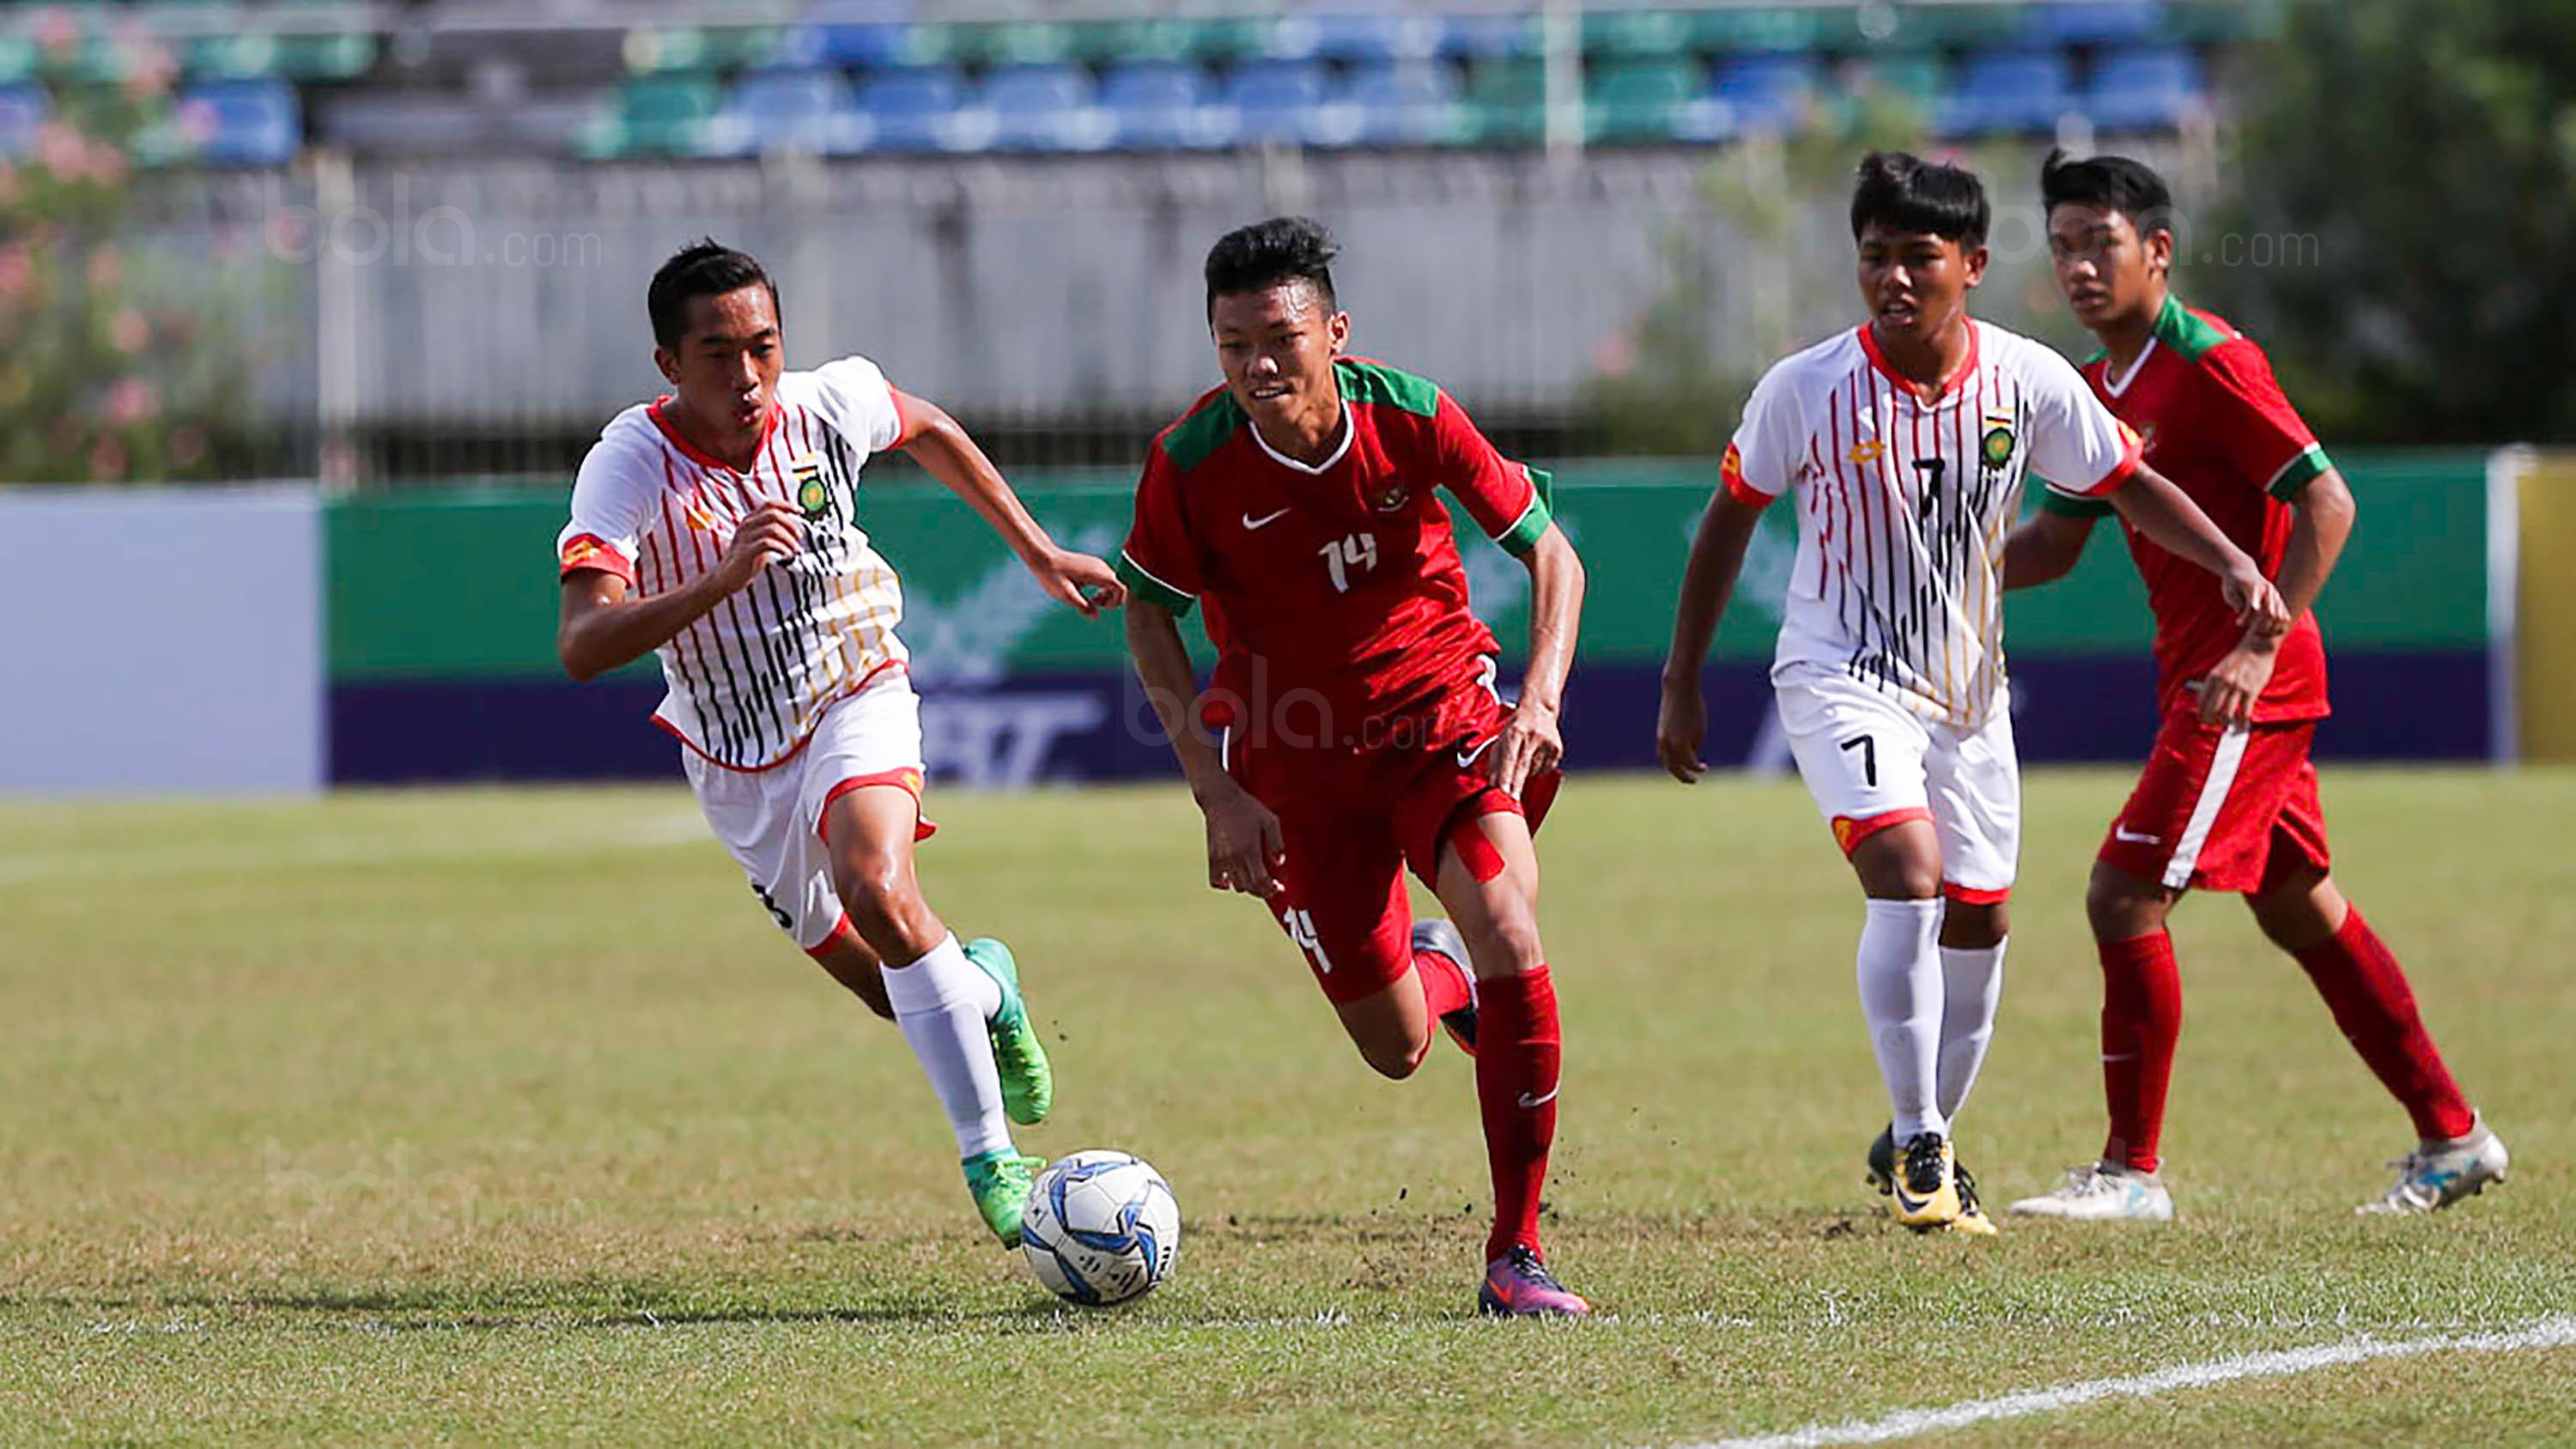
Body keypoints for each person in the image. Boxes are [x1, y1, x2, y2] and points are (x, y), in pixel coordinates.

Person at [1656, 154, 2290, 1236]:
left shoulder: (2030, 380)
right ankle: (1921, 1144)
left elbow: (2124, 484)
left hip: (1969, 694)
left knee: (1983, 918)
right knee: (1908, 872)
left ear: (1974, 266)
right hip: (1839, 675)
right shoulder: (1803, 387)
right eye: (1873, 258)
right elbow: (1728, 519)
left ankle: (1928, 1123)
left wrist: (2232, 558)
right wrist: (1683, 679)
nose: (1893, 279)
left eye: (1918, 257)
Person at [553, 239, 1124, 1246]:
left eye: (763, 346)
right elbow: (583, 643)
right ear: (668, 365)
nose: (748, 375)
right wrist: (715, 582)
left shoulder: (829, 402)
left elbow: (931, 426)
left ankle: (993, 1159)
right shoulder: (628, 464)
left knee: (878, 882)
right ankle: (987, 980)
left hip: (853, 676)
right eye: (718, 353)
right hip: (734, 747)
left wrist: (1036, 551)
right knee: (888, 981)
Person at [1997, 150, 2507, 1221]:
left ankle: (2131, 1174)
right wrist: (1941, 563)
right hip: (2207, 678)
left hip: (2247, 683)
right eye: (2064, 249)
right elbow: (2052, 545)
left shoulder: (2214, 361)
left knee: (2122, 891)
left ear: (2158, 252)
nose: (2082, 267)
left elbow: (2330, 502)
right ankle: (2453, 1134)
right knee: (2300, 908)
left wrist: (2257, 649)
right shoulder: (2098, 388)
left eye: (2102, 243)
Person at [1118, 217, 1592, 1316]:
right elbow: (1150, 618)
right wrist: (1217, 791)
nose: (1257, 365)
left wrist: (1540, 698)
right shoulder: (1191, 462)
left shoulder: (1411, 414)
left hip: (1440, 724)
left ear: (1335, 331)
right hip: (1294, 773)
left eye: (1279, 338)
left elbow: (1551, 555)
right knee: (1396, 1047)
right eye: (1233, 345)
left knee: (1512, 927)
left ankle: (1514, 1253)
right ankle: (1440, 969)